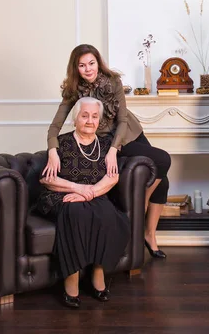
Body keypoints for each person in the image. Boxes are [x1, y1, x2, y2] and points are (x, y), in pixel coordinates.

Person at [43, 44, 170, 259]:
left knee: (161, 173)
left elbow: (121, 120)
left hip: (128, 132)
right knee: (163, 161)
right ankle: (137, 217)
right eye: (82, 65)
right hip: (104, 139)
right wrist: (53, 151)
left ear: (98, 63)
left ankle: (149, 234)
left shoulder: (113, 81)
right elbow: (55, 126)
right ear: (76, 68)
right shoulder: (73, 89)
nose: (88, 69)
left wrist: (114, 150)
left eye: (91, 63)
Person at [37, 97, 130, 308]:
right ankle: (72, 277)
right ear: (75, 118)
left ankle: (98, 272)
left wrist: (91, 193)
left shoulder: (107, 145)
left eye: (94, 116)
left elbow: (113, 177)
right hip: (63, 196)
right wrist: (79, 189)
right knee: (76, 212)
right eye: (85, 115)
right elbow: (47, 179)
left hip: (95, 196)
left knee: (108, 214)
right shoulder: (61, 143)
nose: (90, 120)